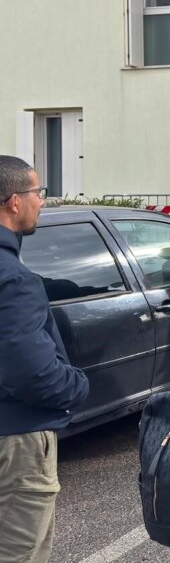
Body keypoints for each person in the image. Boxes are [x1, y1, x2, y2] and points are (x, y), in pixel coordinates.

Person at [0, 156, 89, 563]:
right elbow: (32, 373)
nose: (42, 202)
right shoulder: (14, 279)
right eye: (38, 192)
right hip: (17, 436)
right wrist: (77, 386)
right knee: (22, 550)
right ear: (13, 201)